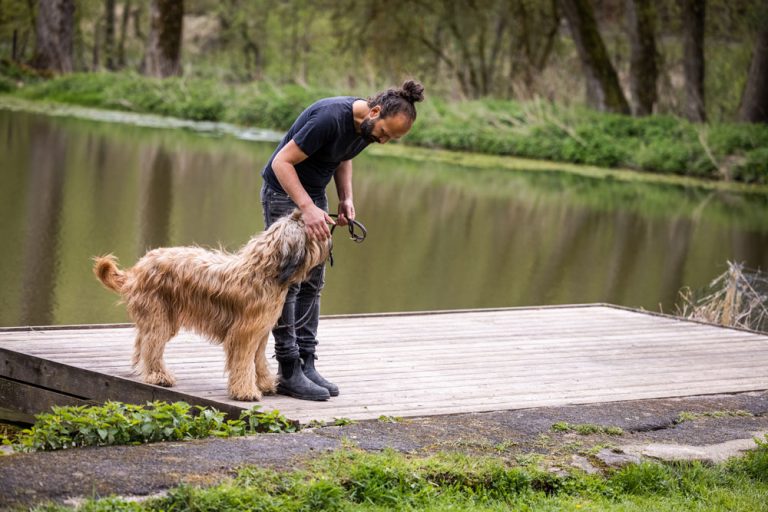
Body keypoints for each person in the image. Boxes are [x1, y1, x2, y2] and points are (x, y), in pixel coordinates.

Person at [260, 80, 425, 401]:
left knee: (313, 281)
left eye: (392, 138)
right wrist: (306, 208)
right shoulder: (329, 118)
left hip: (314, 196)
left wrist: (345, 198)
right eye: (386, 133)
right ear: (375, 112)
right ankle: (288, 368)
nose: (385, 141)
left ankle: (307, 362)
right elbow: (281, 162)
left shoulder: (365, 127)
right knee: (288, 282)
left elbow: (343, 155)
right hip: (283, 194)